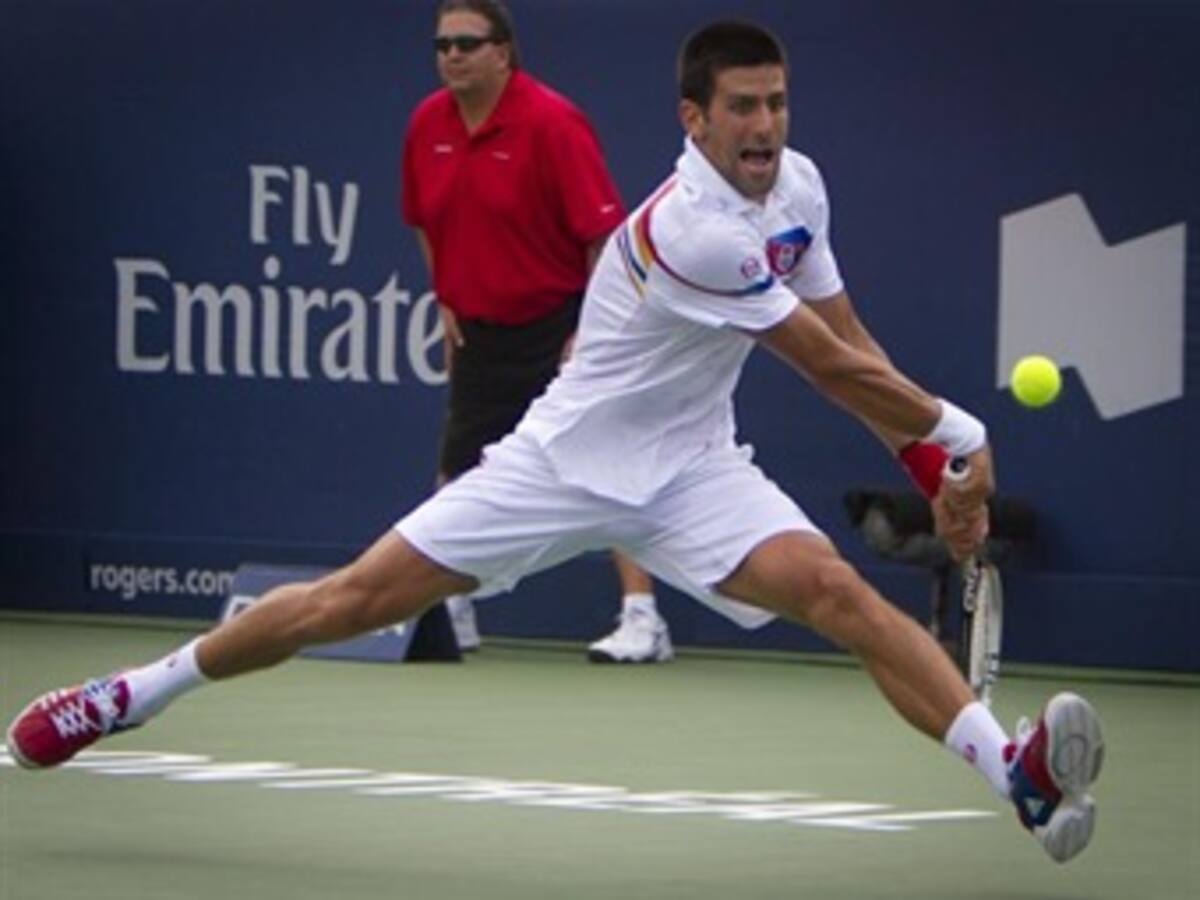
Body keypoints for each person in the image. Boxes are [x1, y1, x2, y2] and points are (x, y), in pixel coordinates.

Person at [6, 20, 1103, 863]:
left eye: (775, 103)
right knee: (348, 602)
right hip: (561, 465)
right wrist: (961, 435)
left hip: (695, 470)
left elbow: (850, 334)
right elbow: (824, 366)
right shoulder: (692, 230)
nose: (764, 127)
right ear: (694, 120)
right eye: (741, 108)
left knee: (839, 594)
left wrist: (930, 464)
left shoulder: (798, 187)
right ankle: (131, 694)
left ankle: (1016, 775)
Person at [402, 0, 672, 661]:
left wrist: (590, 330)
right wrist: (445, 300)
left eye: (467, 43)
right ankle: (451, 608)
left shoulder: (553, 122)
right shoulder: (427, 124)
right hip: (481, 333)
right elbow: (424, 220)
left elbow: (604, 237)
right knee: (459, 472)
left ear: (503, 52)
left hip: (562, 326)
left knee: (606, 470)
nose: (452, 56)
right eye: (443, 45)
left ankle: (643, 618)